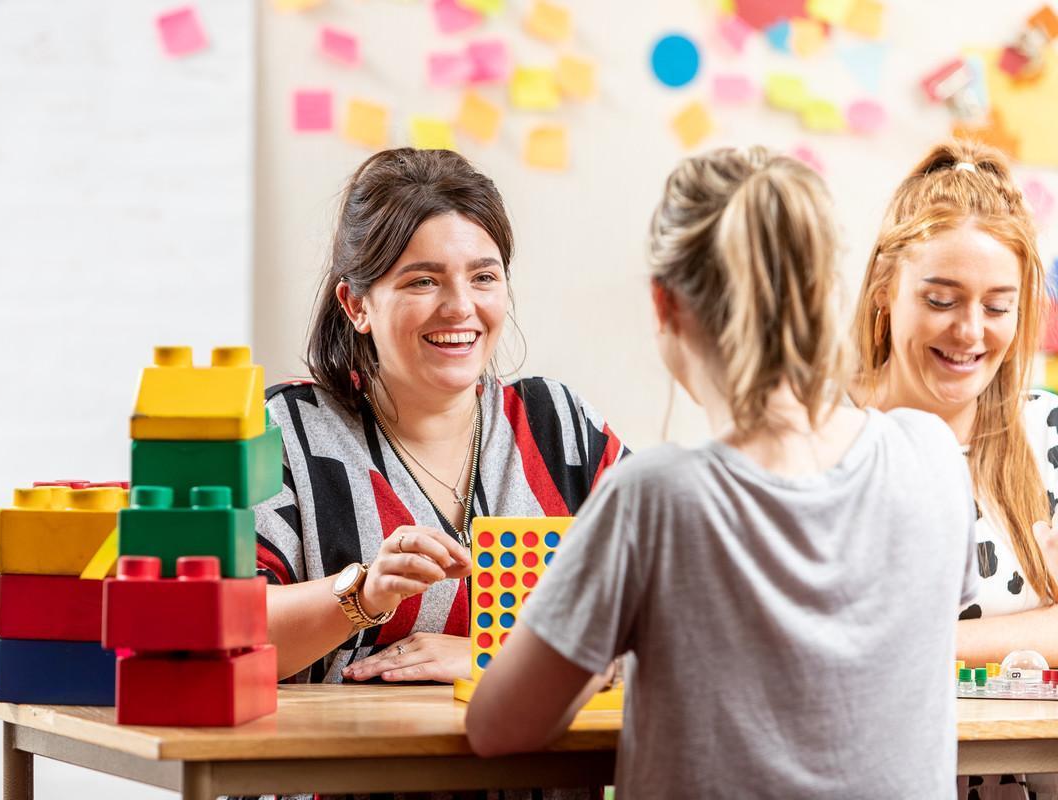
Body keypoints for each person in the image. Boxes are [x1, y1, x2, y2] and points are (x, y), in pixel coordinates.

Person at [465, 146, 978, 798]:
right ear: (825, 292)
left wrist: (596, 651)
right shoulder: (932, 453)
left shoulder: (653, 496)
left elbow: (497, 726)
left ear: (665, 305)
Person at [255, 148, 623, 688]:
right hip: (355, 772)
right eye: (423, 281)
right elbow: (225, 634)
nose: (459, 307)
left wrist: (490, 659)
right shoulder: (286, 432)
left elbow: (673, 612)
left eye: (483, 277)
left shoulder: (558, 425)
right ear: (356, 305)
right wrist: (363, 594)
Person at [850, 139, 1058, 799]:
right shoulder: (822, 439)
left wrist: (920, 647)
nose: (971, 332)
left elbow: (871, 648)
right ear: (885, 287)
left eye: (998, 307)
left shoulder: (1046, 433)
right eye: (942, 299)